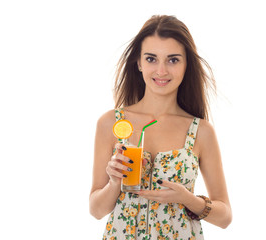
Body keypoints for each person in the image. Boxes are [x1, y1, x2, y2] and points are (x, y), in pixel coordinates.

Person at [89, 15, 232, 239]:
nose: (161, 71)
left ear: (186, 65)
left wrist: (187, 199)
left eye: (173, 60)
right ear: (139, 62)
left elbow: (224, 216)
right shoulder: (113, 123)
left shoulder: (201, 131)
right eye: (151, 59)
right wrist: (115, 181)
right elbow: (96, 210)